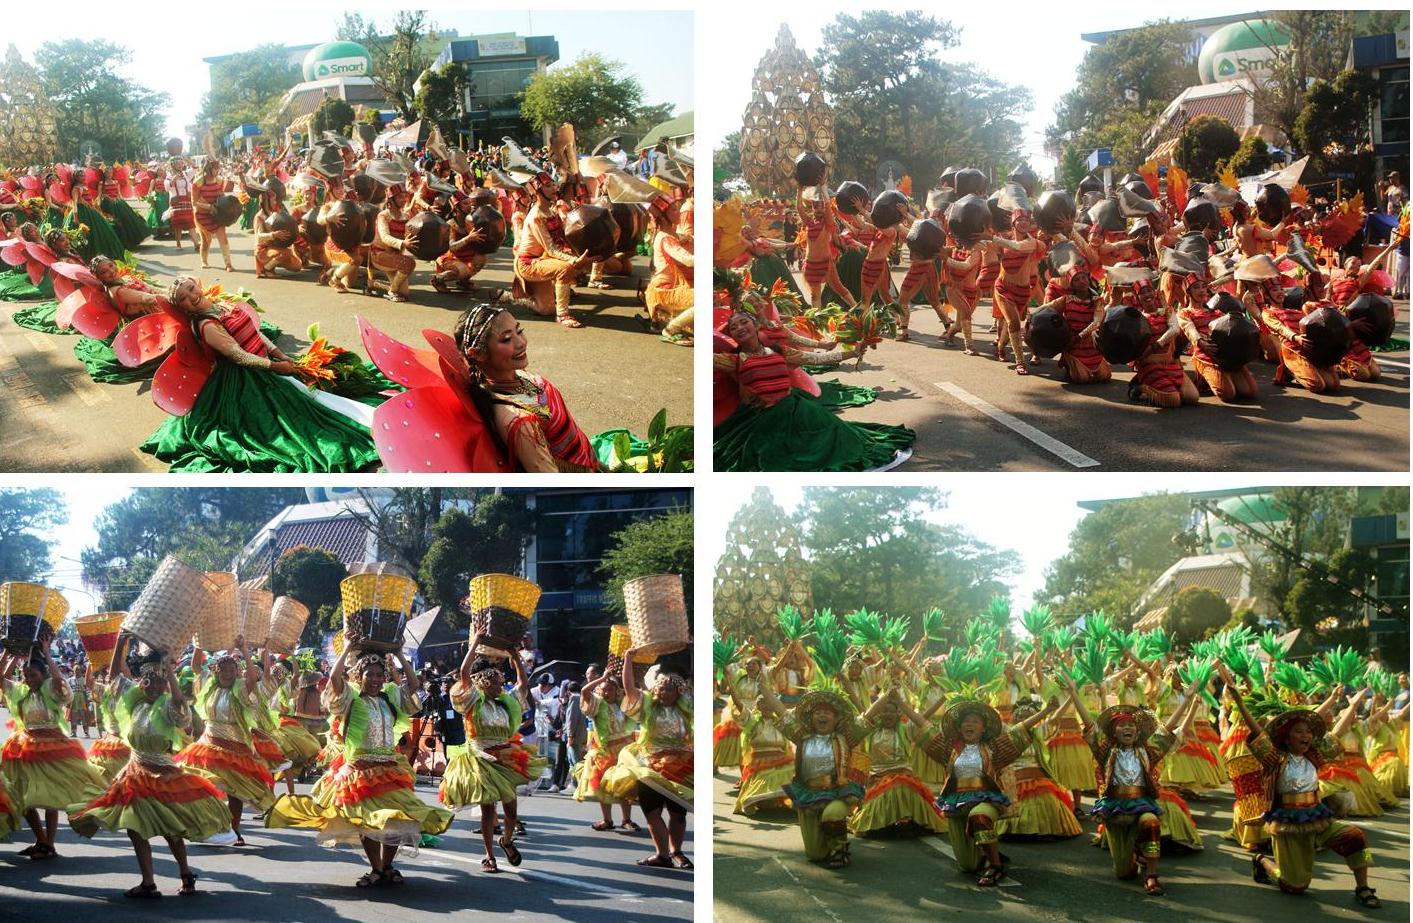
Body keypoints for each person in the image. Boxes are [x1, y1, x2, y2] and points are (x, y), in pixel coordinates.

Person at [139, 276, 380, 473]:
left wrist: (278, 353)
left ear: (197, 285)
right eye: (184, 298)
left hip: (267, 360)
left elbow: (253, 331)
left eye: (191, 289)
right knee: (296, 420)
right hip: (246, 378)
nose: (192, 297)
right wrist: (275, 367)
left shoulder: (219, 304)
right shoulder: (207, 325)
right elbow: (238, 356)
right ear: (181, 307)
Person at [267, 648, 454, 888]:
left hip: (389, 767)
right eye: (370, 675)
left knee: (397, 819)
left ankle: (387, 866)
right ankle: (376, 868)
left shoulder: (389, 698)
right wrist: (347, 648)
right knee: (368, 821)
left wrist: (397, 653)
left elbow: (414, 685)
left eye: (379, 675)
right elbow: (334, 680)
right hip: (360, 769)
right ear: (359, 676)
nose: (375, 680)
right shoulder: (350, 700)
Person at [68, 639, 231, 898]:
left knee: (171, 830)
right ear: (141, 682)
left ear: (165, 683)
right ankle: (148, 882)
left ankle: (186, 873)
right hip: (134, 773)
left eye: (159, 681)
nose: (153, 686)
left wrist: (169, 672)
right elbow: (115, 677)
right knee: (134, 828)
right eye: (148, 681)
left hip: (163, 775)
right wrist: (121, 641)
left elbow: (179, 701)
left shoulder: (168, 705)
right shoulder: (134, 702)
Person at [1221, 665, 1381, 908]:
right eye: (1299, 732)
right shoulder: (1275, 758)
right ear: (1286, 737)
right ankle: (1263, 861)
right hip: (1287, 824)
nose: (1306, 736)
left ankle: (1363, 887)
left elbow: (1338, 730)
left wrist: (1352, 704)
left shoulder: (1313, 756)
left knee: (1355, 837)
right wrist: (1239, 702)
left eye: (1308, 732)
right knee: (1294, 885)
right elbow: (1257, 731)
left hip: (1317, 817)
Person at [713, 311, 915, 472]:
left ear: (756, 326)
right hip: (764, 418)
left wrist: (852, 352)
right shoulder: (734, 360)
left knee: (835, 438)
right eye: (733, 327)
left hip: (798, 409)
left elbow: (816, 359)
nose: (739, 327)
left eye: (743, 322)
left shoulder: (779, 351)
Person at [1063, 670, 1205, 896]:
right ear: (1113, 731)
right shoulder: (1106, 750)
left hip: (1142, 805)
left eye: (1131, 726)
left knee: (1151, 824)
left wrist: (1187, 700)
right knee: (1124, 872)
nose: (1127, 728)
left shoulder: (1147, 751)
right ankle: (1136, 857)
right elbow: (1090, 727)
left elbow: (1167, 729)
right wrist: (1073, 694)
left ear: (1138, 731)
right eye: (1122, 725)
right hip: (1115, 807)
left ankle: (1152, 875)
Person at [917, 695, 1060, 885]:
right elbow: (924, 727)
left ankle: (995, 865)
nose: (970, 724)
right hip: (956, 803)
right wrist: (901, 704)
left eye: (975, 721)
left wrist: (1047, 710)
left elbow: (1020, 730)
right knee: (967, 866)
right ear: (959, 728)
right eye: (966, 721)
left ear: (983, 728)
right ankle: (987, 848)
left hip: (986, 800)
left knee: (979, 817)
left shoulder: (994, 748)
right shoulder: (949, 749)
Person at [451, 304, 603, 472]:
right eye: (506, 339)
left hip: (589, 459)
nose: (521, 342)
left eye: (519, 330)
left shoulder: (514, 375)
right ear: (477, 354)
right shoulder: (519, 422)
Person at [439, 640, 539, 873]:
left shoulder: (506, 702)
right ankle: (489, 855)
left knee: (511, 810)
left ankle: (506, 840)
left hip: (505, 756)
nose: (498, 685)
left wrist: (515, 655)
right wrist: (475, 643)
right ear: (483, 683)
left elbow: (523, 683)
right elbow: (464, 674)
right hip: (480, 758)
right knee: (488, 810)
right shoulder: (473, 700)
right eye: (493, 682)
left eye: (499, 681)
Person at [0, 647, 108, 859]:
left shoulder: (51, 688)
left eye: (34, 675)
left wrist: (48, 656)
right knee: (24, 797)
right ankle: (41, 840)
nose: (29, 679)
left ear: (43, 675)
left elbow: (60, 683)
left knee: (50, 797)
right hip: (26, 747)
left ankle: (48, 844)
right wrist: (11, 655)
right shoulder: (21, 692)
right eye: (26, 675)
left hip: (53, 747)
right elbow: (2, 679)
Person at [175, 638, 274, 846]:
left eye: (231, 670)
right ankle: (209, 823)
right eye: (223, 670)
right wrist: (199, 643)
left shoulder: (240, 688)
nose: (227, 673)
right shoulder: (210, 687)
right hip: (208, 744)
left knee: (234, 791)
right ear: (217, 671)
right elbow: (195, 667)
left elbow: (253, 678)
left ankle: (234, 829)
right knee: (199, 782)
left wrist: (245, 650)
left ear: (236, 672)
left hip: (234, 747)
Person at [602, 652, 693, 870]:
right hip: (650, 766)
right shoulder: (646, 708)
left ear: (679, 691)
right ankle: (662, 854)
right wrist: (629, 659)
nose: (665, 692)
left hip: (681, 766)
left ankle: (677, 852)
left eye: (670, 689)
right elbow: (630, 689)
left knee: (678, 813)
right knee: (652, 813)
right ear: (655, 689)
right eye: (661, 688)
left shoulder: (687, 708)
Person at [514, 177, 592, 327]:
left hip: (542, 259)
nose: (555, 189)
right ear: (537, 191)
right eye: (548, 186)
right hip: (527, 263)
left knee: (546, 309)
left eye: (553, 185)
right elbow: (551, 248)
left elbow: (563, 237)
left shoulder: (551, 210)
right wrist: (573, 261)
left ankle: (514, 297)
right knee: (565, 268)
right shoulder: (536, 216)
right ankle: (563, 315)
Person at [575, 673, 639, 830]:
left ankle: (626, 820)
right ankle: (607, 820)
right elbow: (584, 692)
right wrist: (602, 679)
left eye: (610, 689)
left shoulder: (623, 704)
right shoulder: (597, 705)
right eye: (603, 689)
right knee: (604, 787)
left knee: (624, 784)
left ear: (616, 691)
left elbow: (636, 696)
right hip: (605, 752)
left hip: (624, 752)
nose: (606, 692)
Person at [371, 184, 417, 302]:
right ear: (391, 199)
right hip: (380, 254)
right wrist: (403, 243)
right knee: (409, 263)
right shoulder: (383, 215)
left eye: (404, 197)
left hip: (396, 255)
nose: (404, 200)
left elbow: (409, 235)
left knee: (405, 293)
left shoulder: (406, 216)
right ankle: (392, 290)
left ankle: (374, 283)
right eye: (400, 197)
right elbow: (385, 237)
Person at [191, 159, 234, 272]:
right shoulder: (197, 183)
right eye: (215, 168)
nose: (217, 170)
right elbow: (194, 202)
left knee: (223, 239)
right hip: (202, 215)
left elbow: (221, 196)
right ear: (208, 169)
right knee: (206, 241)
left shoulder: (219, 181)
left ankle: (228, 264)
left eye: (218, 168)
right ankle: (204, 261)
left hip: (217, 215)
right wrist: (209, 207)